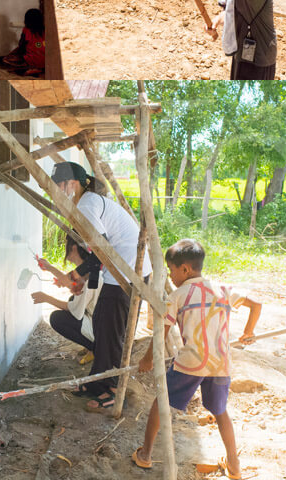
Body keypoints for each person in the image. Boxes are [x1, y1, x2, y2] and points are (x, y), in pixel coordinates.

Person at [134, 239, 261, 479]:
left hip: (191, 362)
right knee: (220, 411)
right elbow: (256, 304)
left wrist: (147, 359)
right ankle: (234, 465)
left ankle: (145, 455)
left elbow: (161, 334)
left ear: (185, 269)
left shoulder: (178, 296)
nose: (170, 275)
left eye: (171, 270)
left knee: (161, 403)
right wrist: (249, 331)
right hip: (220, 364)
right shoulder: (223, 289)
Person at [50, 161, 152, 411]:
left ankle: (115, 391)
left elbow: (102, 251)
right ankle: (97, 383)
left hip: (127, 272)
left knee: (112, 332)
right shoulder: (87, 203)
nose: (56, 193)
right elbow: (100, 254)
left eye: (59, 186)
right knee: (102, 326)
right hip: (119, 270)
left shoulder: (86, 206)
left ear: (72, 184)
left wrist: (75, 275)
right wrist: (83, 281)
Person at [32, 235, 101, 361]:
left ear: (73, 248)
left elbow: (74, 310)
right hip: (99, 321)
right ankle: (92, 345)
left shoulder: (92, 277)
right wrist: (49, 267)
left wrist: (46, 298)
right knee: (72, 299)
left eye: (66, 245)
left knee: (57, 318)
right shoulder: (92, 270)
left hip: (99, 328)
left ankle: (95, 348)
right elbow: (73, 285)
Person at [3, 9, 47, 76]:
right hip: (45, 61)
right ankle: (40, 69)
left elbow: (21, 46)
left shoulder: (27, 30)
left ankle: (30, 69)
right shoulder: (45, 30)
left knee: (6, 60)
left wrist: (18, 55)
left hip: (31, 60)